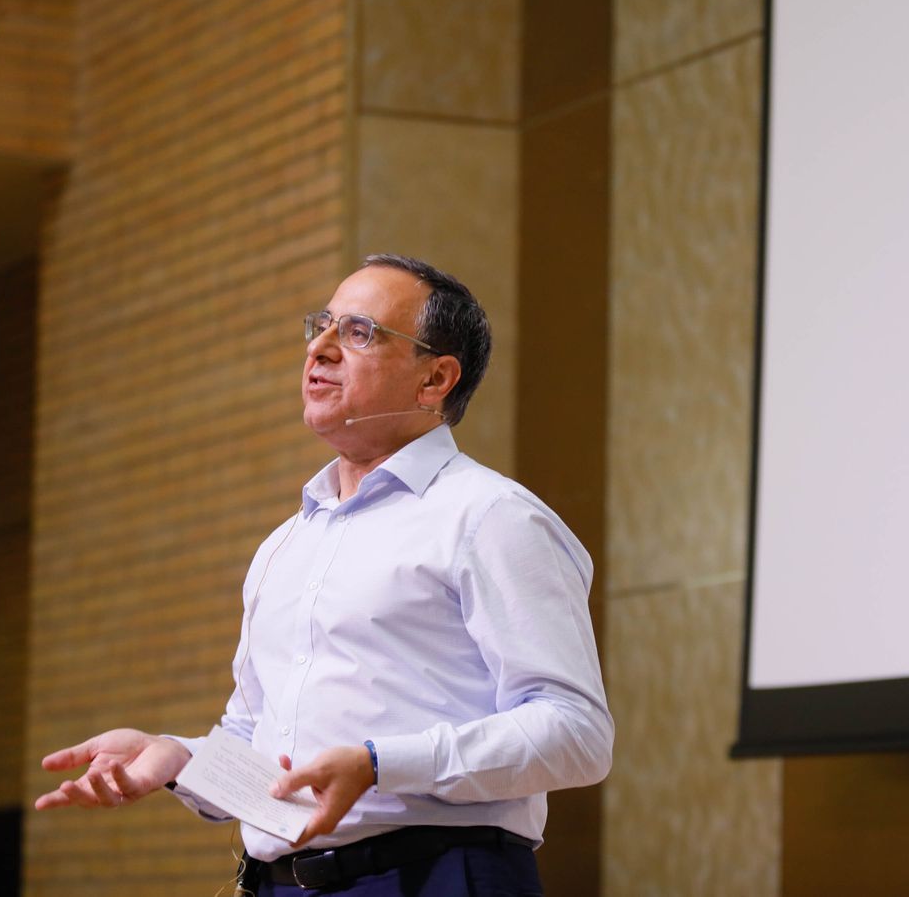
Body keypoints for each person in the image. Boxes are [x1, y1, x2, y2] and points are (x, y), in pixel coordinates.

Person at [35, 254, 614, 896]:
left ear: (435, 379)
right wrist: (179, 759)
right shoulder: (286, 545)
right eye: (321, 325)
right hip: (280, 882)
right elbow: (262, 746)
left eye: (359, 332)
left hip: (436, 876)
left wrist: (378, 765)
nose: (321, 347)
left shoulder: (490, 517)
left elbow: (575, 733)